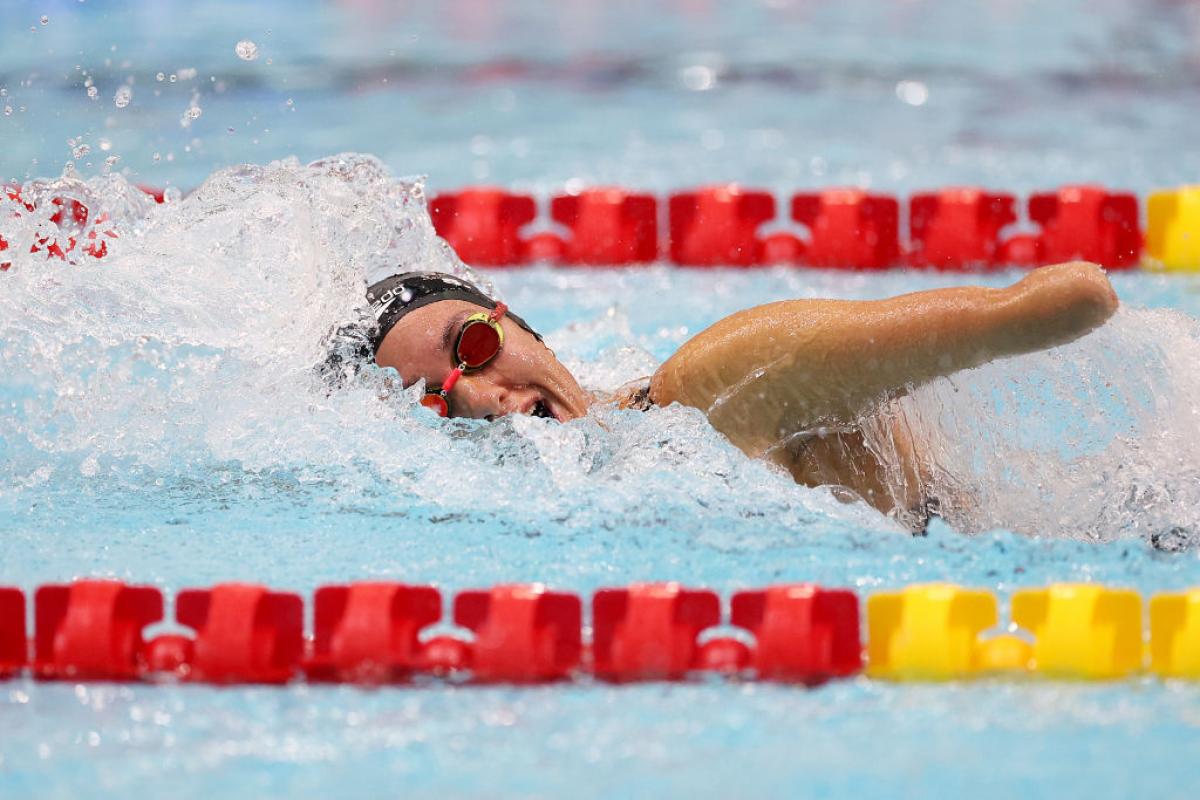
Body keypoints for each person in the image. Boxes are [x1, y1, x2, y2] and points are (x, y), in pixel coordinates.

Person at [357, 262, 1119, 532]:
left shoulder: (713, 392)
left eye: (474, 348)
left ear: (515, 322)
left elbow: (1071, 299)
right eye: (434, 402)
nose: (484, 399)